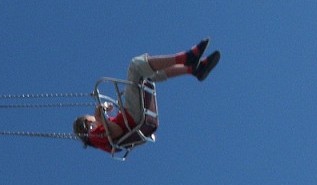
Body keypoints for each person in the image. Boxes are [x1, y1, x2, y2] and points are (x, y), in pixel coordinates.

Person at [73, 38, 221, 154]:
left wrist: (104, 115)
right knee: (135, 66)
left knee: (148, 75)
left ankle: (194, 69)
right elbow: (117, 131)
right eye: (91, 119)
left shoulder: (99, 139)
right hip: (134, 117)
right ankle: (186, 58)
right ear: (87, 123)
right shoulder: (94, 134)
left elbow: (117, 134)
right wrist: (100, 118)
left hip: (134, 119)